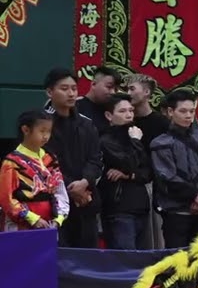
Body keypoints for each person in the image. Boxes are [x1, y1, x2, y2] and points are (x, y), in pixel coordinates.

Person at [151, 89, 198, 248]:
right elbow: (167, 177)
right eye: (183, 111)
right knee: (176, 259)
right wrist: (194, 195)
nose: (188, 115)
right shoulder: (160, 143)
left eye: (192, 111)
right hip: (175, 212)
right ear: (170, 111)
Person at [44, 67, 103, 248]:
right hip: (55, 202)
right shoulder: (40, 124)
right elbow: (44, 162)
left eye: (74, 89)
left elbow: (96, 159)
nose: (71, 93)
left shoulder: (86, 123)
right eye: (64, 88)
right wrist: (71, 188)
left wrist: (85, 182)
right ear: (49, 92)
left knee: (88, 255)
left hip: (86, 199)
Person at [0, 109, 68, 232]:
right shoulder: (12, 162)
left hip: (48, 224)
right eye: (42, 131)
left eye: (49, 131)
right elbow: (6, 199)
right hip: (20, 226)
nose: (46, 136)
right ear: (26, 130)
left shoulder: (50, 158)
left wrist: (59, 217)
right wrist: (32, 218)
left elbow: (60, 190)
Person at [98, 95, 152, 249]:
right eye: (122, 111)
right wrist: (136, 142)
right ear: (109, 115)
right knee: (125, 258)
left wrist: (128, 175)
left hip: (140, 205)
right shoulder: (106, 140)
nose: (129, 115)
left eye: (131, 110)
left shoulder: (135, 136)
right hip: (119, 208)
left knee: (142, 259)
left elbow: (148, 172)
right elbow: (128, 163)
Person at [75, 67, 120, 134]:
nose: (113, 92)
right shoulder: (76, 108)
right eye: (109, 87)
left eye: (116, 89)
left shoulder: (113, 110)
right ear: (94, 84)